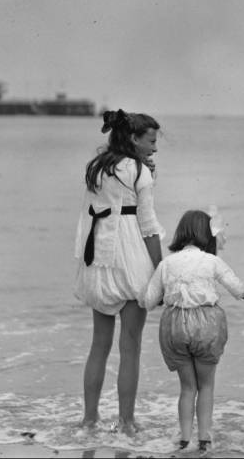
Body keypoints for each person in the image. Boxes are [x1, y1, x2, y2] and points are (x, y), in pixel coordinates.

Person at [73, 109, 165, 436]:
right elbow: (149, 227)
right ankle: (126, 422)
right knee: (130, 347)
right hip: (131, 260)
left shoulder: (96, 168)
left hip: (99, 260)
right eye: (151, 141)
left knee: (99, 345)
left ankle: (89, 419)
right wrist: (160, 272)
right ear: (134, 139)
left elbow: (108, 199)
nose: (155, 147)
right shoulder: (141, 171)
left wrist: (145, 169)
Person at [138, 208, 244, 453]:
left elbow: (147, 300)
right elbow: (239, 290)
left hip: (174, 325)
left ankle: (185, 439)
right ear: (207, 236)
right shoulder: (212, 261)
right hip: (206, 324)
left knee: (187, 387)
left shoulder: (167, 264)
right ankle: (205, 439)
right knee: (206, 385)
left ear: (181, 233)